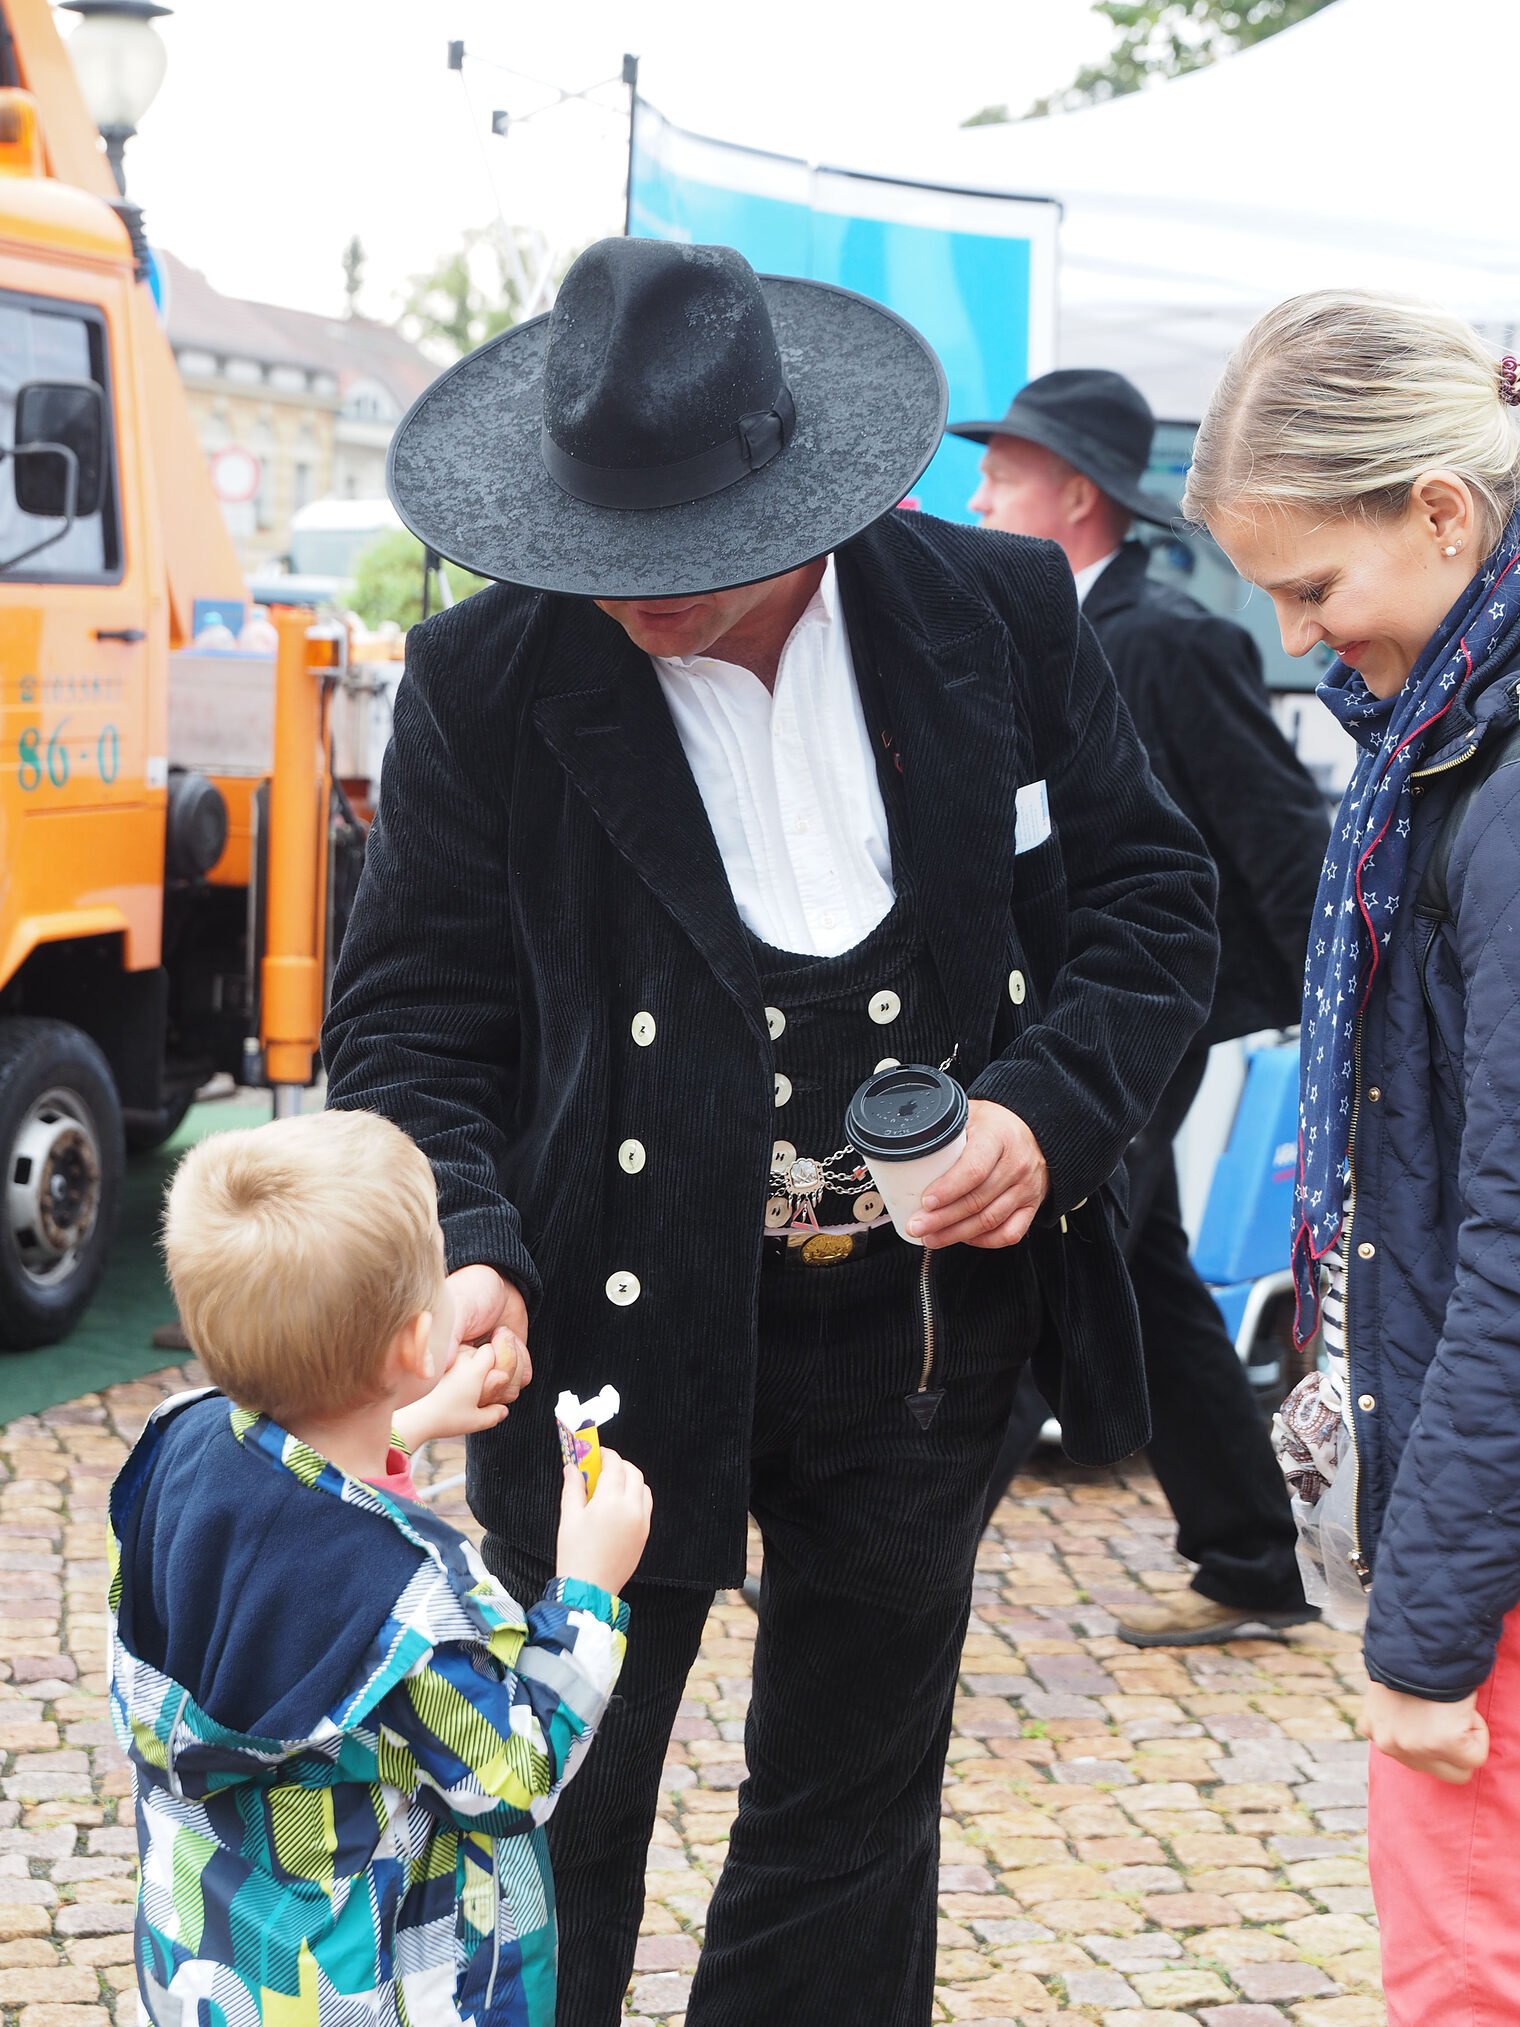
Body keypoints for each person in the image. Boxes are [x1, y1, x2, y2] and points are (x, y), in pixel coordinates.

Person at [324, 236, 1218, 2027]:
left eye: (685, 554)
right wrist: (475, 1242)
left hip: (919, 1344)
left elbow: (1152, 899)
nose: (641, 593)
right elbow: (409, 1019)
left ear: (804, 489)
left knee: (848, 1825)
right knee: (553, 1809)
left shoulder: (1001, 612)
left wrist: (1047, 1113)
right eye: (609, 552)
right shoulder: (488, 678)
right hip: (604, 1342)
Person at [1184, 289, 1520, 2025]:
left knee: (1466, 1970)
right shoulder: (1453, 736)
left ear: (1443, 513)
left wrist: (1431, 1627)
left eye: (1321, 589)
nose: (1313, 641)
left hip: (1503, 1533)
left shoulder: (1493, 776)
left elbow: (1513, 1233)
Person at [109, 1108, 650, 2027]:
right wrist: (589, 1588)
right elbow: (514, 1771)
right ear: (413, 1339)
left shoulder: (183, 1441)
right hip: (361, 1989)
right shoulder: (409, 1605)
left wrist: (408, 1420)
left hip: (216, 1959)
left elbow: (282, 1503)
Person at [948, 369, 1329, 1643]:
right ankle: (1254, 1553)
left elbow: (1280, 838)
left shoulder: (1169, 641)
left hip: (1144, 1015)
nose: (975, 493)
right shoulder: (1011, 633)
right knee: (1140, 1269)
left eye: (1000, 473)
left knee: (1050, 1257)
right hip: (1059, 1016)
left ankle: (892, 1545)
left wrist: (1338, 1007)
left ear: (1071, 495)